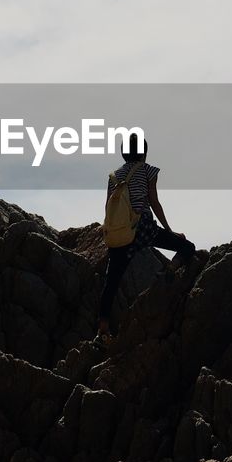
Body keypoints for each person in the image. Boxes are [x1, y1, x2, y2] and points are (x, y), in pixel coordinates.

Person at [97, 135, 195, 340]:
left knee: (111, 281)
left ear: (124, 153)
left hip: (120, 231)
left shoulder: (113, 176)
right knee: (187, 247)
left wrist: (110, 230)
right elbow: (154, 202)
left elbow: (108, 206)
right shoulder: (147, 170)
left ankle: (103, 331)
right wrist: (169, 230)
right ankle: (170, 270)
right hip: (143, 228)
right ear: (143, 153)